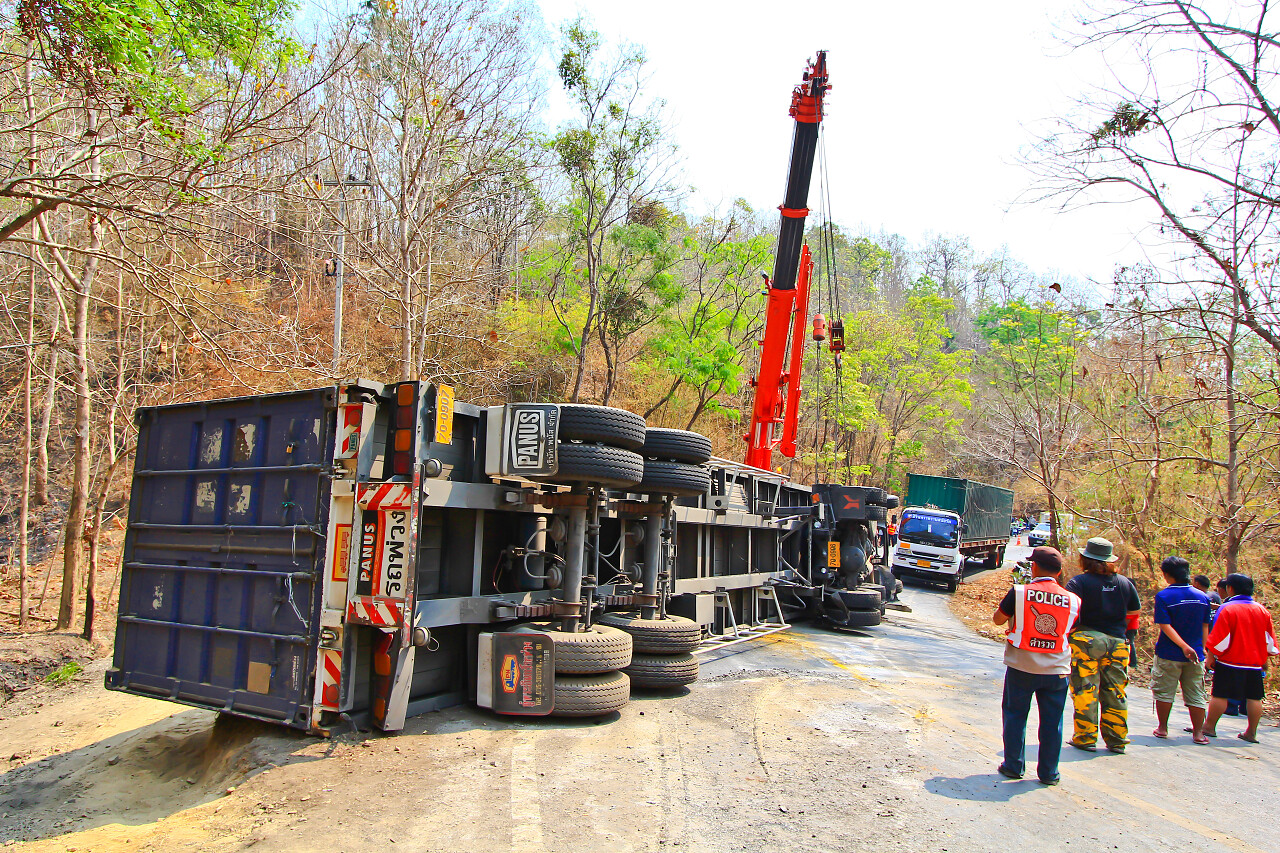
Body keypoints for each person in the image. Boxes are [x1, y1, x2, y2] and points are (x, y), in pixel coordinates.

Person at [992, 546, 1081, 785]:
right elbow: (1070, 629)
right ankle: (1049, 773)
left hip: (1021, 666)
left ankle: (1013, 766)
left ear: (1034, 567)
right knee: (1053, 723)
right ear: (1060, 572)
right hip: (1056, 670)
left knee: (1015, 715)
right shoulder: (1074, 600)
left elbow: (998, 619)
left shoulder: (1020, 593)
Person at [1065, 537, 1141, 753]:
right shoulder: (1125, 583)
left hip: (1086, 640)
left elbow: (1071, 612)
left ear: (1084, 559)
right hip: (1117, 642)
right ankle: (1117, 739)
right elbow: (1134, 612)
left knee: (1085, 689)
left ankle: (1086, 737)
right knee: (1115, 690)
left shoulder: (1078, 583)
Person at [1204, 573, 1279, 743]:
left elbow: (1219, 638)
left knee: (1220, 694)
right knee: (1254, 697)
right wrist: (1264, 656)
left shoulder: (1228, 608)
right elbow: (1270, 641)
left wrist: (1211, 655)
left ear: (1230, 588)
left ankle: (1209, 727)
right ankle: (1251, 732)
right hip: (1254, 662)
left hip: (1229, 660)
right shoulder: (1262, 610)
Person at [1150, 556, 1212, 744]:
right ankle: (1198, 733)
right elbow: (1204, 626)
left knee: (1164, 691)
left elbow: (1165, 626)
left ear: (1167, 575)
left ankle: (1162, 728)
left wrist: (1183, 646)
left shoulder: (1164, 596)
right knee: (1196, 692)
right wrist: (1202, 649)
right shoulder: (1203, 597)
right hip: (1196, 656)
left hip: (1169, 653)